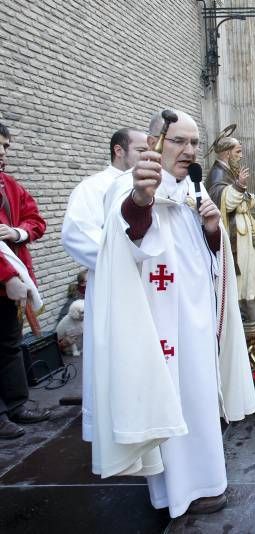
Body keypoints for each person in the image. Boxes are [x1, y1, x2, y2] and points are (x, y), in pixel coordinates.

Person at [91, 110, 255, 516]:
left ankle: (207, 481)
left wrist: (213, 230)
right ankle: (178, 492)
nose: (189, 150)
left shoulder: (193, 192)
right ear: (155, 144)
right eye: (180, 141)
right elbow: (128, 235)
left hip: (197, 322)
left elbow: (206, 260)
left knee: (200, 402)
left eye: (195, 142)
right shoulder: (133, 188)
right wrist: (141, 200)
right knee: (171, 403)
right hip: (160, 325)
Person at [61, 127, 148, 441]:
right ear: (119, 151)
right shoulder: (94, 187)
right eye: (140, 150)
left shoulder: (153, 184)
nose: (147, 155)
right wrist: (122, 259)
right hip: (114, 288)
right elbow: (75, 233)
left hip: (152, 288)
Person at [0, 122, 50, 440]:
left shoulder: (9, 184)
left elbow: (36, 221)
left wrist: (18, 232)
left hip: (14, 280)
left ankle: (17, 405)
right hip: (7, 280)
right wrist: (6, 278)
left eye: (6, 146)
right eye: (0, 145)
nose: (5, 152)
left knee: (9, 346)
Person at [205, 134, 255, 322]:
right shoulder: (217, 174)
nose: (241, 156)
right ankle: (245, 314)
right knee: (241, 278)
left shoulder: (229, 172)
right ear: (226, 154)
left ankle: (253, 309)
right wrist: (239, 185)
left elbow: (241, 201)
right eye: (238, 152)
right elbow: (224, 202)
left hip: (242, 238)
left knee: (249, 275)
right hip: (233, 239)